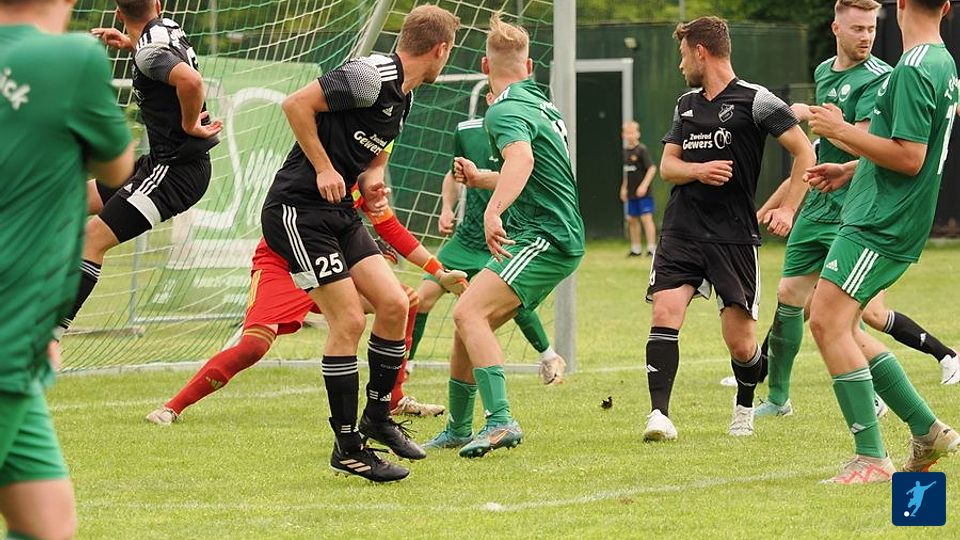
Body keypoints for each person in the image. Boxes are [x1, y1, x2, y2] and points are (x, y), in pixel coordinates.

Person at [259, 5, 459, 482]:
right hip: (297, 211)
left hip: (340, 213)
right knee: (348, 320)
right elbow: (295, 104)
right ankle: (348, 447)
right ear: (440, 49)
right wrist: (325, 167)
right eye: (449, 53)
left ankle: (377, 418)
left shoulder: (404, 96)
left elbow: (376, 157)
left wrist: (371, 181)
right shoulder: (372, 75)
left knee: (394, 304)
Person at [145, 183, 465, 426]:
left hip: (328, 263)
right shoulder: (320, 159)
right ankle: (172, 407)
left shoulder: (365, 171)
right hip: (282, 263)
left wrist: (438, 271)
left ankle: (393, 399)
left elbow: (388, 226)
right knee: (253, 346)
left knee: (403, 300)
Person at [642, 16, 816, 442]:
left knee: (740, 343)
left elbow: (805, 153)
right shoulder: (685, 103)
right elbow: (668, 166)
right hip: (682, 230)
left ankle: (744, 405)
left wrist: (788, 208)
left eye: (683, 54)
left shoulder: (757, 101)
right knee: (665, 313)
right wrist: (698, 171)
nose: (681, 64)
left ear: (701, 52)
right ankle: (659, 415)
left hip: (733, 235)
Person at [805, 0, 958, 484]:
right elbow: (909, 145)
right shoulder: (941, 61)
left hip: (881, 219)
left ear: (900, 4)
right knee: (846, 326)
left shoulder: (912, 67)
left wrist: (840, 131)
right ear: (946, 7)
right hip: (885, 211)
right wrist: (852, 168)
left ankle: (872, 457)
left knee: (827, 322)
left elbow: (910, 157)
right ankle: (927, 430)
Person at [1, 0, 134, 537]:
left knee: (47, 523)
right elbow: (117, 166)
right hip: (7, 328)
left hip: (22, 338)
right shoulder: (73, 57)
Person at [422, 14, 584, 457]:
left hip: (545, 235)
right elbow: (534, 171)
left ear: (484, 65)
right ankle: (458, 428)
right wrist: (481, 180)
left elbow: (523, 162)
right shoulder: (539, 104)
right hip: (551, 231)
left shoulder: (503, 110)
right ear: (529, 67)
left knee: (467, 312)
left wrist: (492, 212)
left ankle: (500, 422)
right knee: (469, 324)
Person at [56, 0, 222, 337]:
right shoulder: (168, 27)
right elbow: (159, 55)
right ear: (158, 5)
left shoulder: (149, 53)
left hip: (174, 172)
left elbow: (190, 81)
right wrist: (130, 42)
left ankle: (48, 338)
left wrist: (190, 124)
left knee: (91, 240)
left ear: (119, 13)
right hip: (161, 164)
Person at [410, 101, 567, 386]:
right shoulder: (466, 131)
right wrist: (446, 208)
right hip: (467, 238)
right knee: (422, 299)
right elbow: (453, 175)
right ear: (489, 99)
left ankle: (549, 356)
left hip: (503, 238)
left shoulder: (525, 133)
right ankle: (405, 366)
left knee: (513, 304)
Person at [620, 120, 657, 257]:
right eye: (627, 133)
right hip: (631, 192)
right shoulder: (625, 152)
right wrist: (624, 188)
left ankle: (651, 248)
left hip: (643, 193)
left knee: (646, 218)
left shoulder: (642, 150)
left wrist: (644, 185)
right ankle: (636, 248)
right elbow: (627, 172)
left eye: (632, 132)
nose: (630, 135)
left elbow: (652, 169)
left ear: (638, 134)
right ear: (623, 135)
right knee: (632, 219)